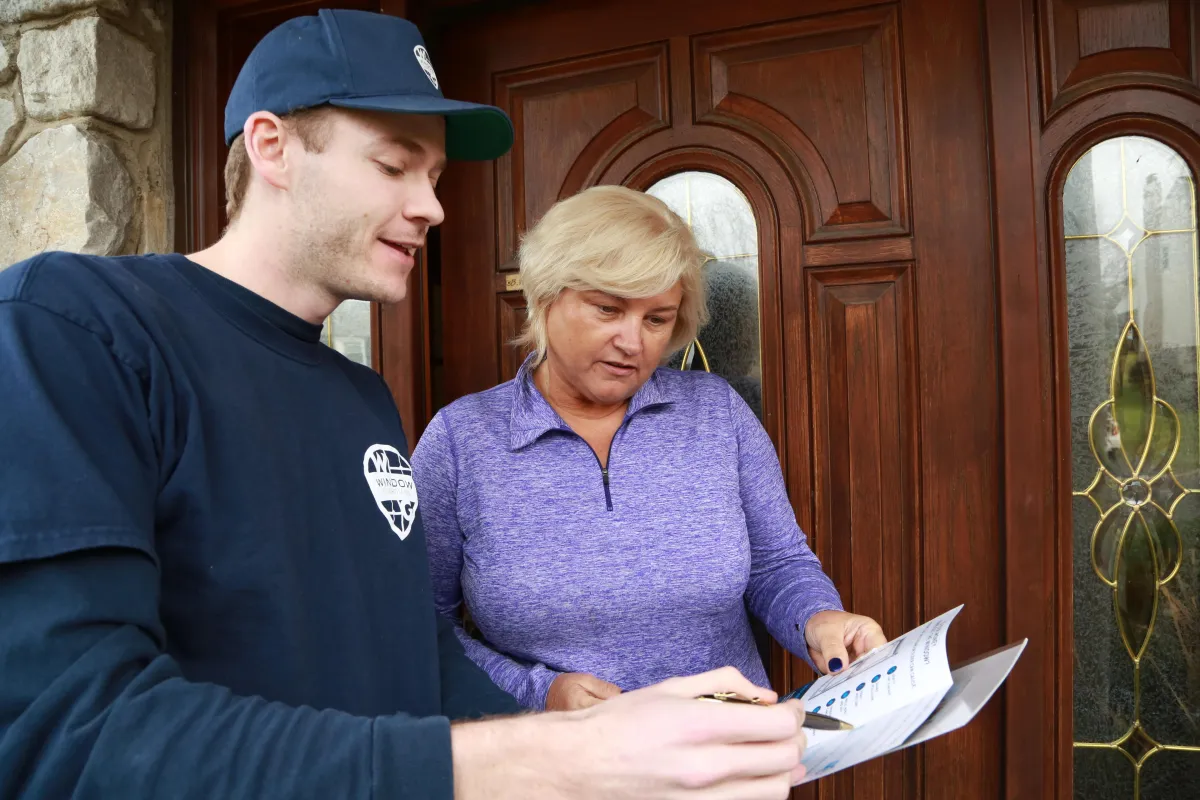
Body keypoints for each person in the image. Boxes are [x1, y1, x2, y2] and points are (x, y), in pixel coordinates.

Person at [0, 10, 812, 799]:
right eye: (394, 166)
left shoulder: (362, 399)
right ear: (271, 146)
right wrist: (554, 758)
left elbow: (417, 653)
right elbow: (65, 733)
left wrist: (601, 735)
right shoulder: (78, 325)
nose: (432, 206)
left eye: (434, 177)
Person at [411, 185, 888, 713]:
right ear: (546, 297)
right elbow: (420, 624)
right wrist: (539, 691)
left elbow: (777, 565)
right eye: (607, 309)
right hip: (561, 754)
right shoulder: (461, 441)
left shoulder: (716, 413)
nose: (633, 342)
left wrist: (818, 618)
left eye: (656, 319)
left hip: (725, 747)